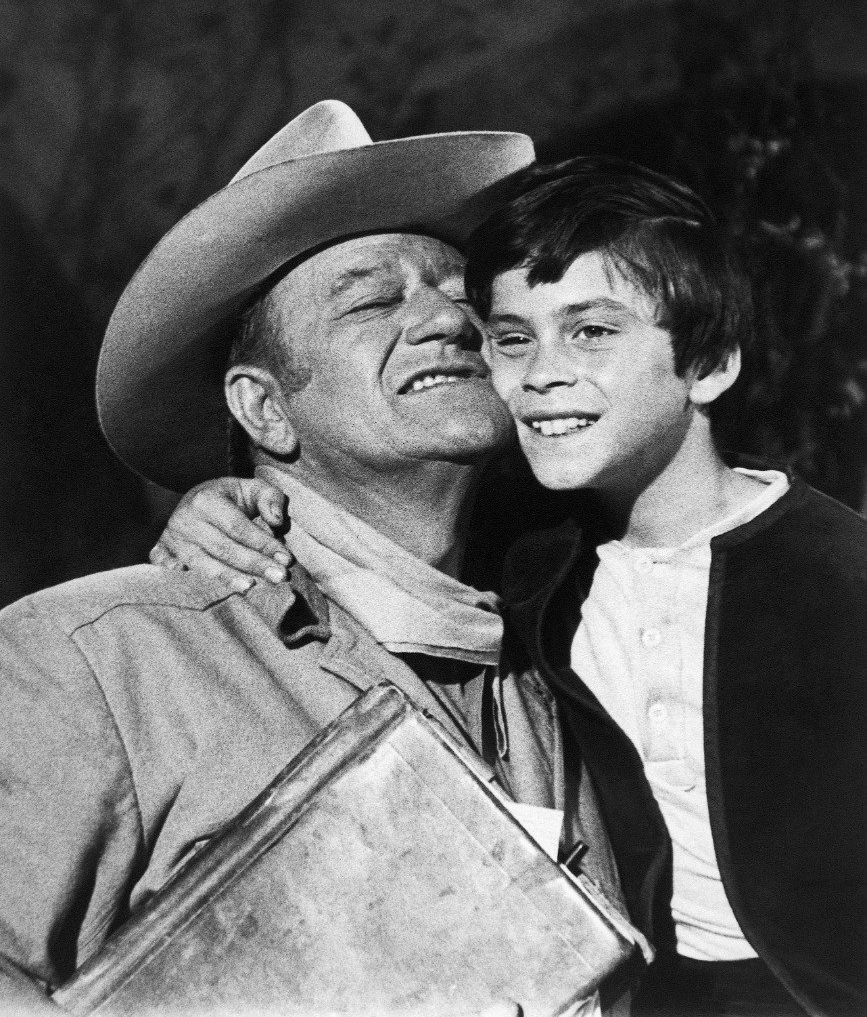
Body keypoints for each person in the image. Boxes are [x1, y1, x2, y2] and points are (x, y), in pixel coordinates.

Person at [161, 156, 866, 1016]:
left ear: (709, 364)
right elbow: (361, 533)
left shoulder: (838, 577)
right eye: (509, 337)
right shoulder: (530, 556)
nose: (541, 374)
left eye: (593, 333)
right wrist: (221, 501)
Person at [0, 102, 626, 1014]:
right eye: (372, 301)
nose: (446, 320)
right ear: (263, 411)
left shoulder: (559, 647)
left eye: (459, 292)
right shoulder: (98, 656)